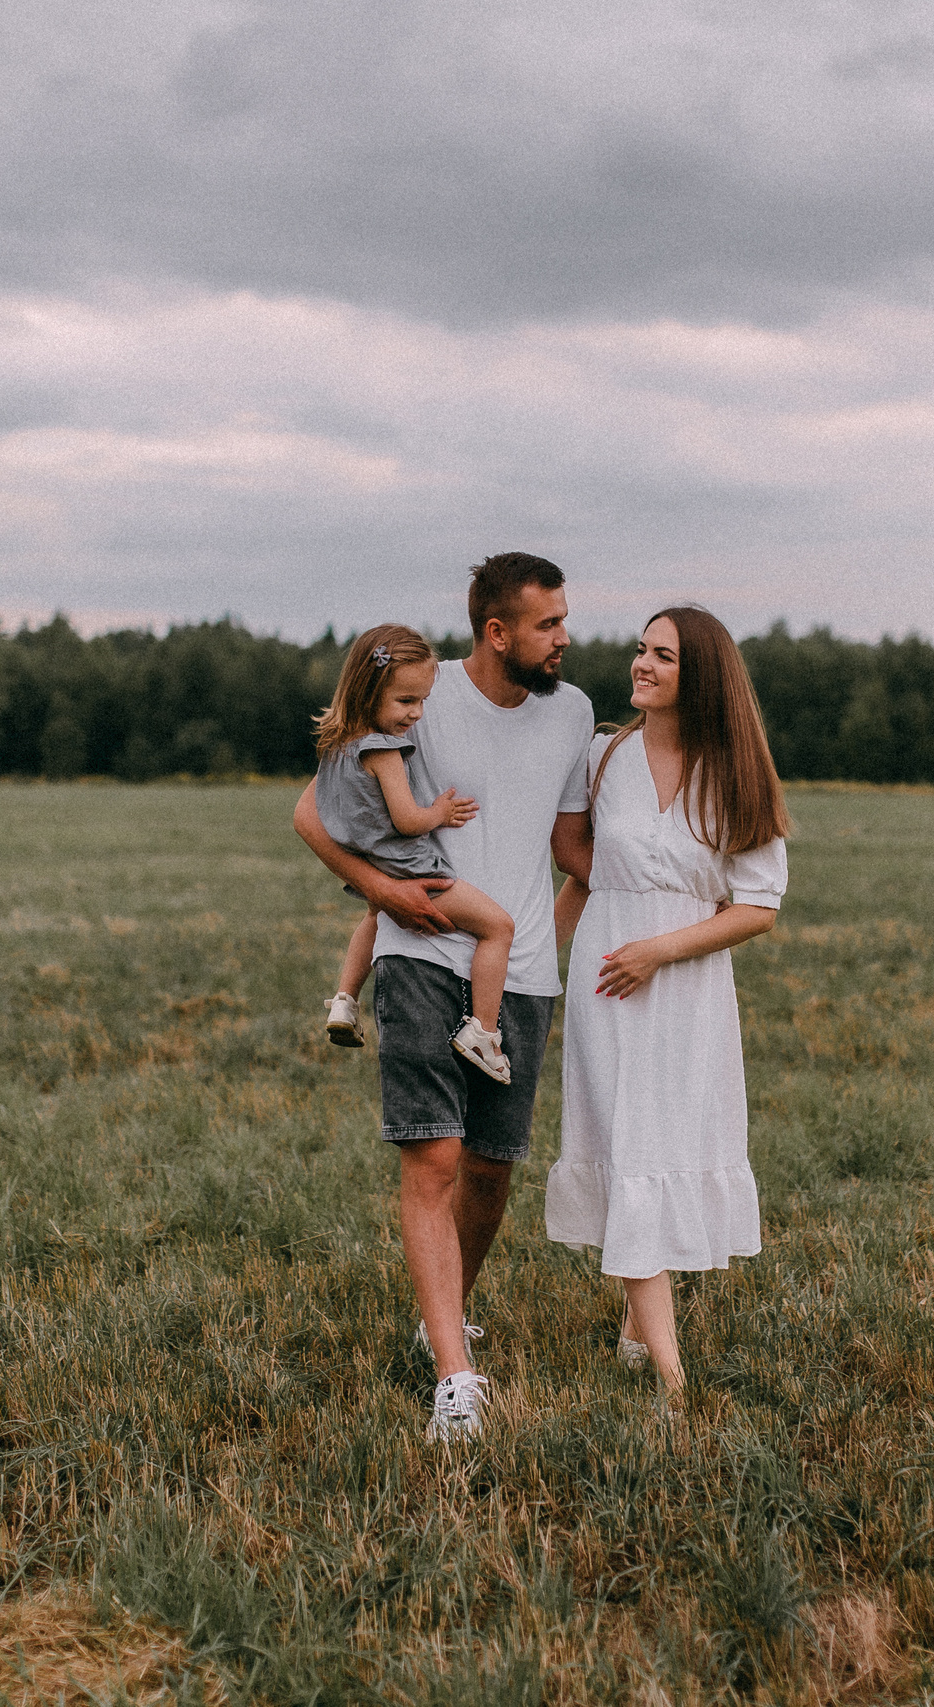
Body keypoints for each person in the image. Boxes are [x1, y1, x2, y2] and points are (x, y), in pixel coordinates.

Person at [293, 553, 595, 1443]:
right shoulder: (421, 698)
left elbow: (571, 849)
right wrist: (381, 892)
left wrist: (584, 922)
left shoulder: (574, 714)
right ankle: (455, 1379)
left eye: (563, 619)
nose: (565, 637)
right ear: (497, 632)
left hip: (521, 973)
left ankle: (445, 1315)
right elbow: (311, 813)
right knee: (434, 1159)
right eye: (548, 624)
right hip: (423, 950)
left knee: (492, 1167)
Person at [544, 606, 789, 1397]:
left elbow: (759, 906)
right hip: (606, 983)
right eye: (641, 649)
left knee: (657, 1147)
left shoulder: (735, 773)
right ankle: (673, 1381)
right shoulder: (603, 756)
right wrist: (536, 966)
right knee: (628, 1145)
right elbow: (579, 865)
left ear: (701, 676)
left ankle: (637, 1330)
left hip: (685, 989)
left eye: (664, 655)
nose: (641, 664)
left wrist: (660, 949)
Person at [313, 625, 517, 1085]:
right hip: (413, 870)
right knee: (498, 927)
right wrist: (439, 812)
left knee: (373, 919)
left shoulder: (337, 748)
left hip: (374, 866)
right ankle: (483, 1032)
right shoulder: (384, 750)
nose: (417, 713)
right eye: (406, 701)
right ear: (368, 691)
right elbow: (406, 820)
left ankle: (345, 999)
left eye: (423, 700)